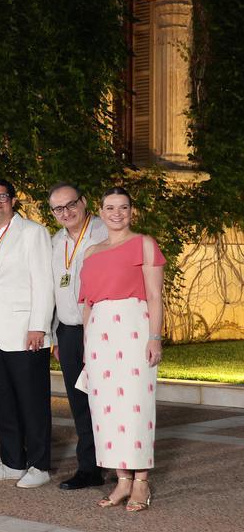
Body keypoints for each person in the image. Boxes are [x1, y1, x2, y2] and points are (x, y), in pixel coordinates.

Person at [78, 186, 165, 512]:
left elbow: (155, 296)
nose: (117, 213)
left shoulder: (144, 244)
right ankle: (122, 479)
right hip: (100, 334)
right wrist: (87, 348)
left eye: (123, 207)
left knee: (135, 405)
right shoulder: (90, 252)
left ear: (132, 211)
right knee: (106, 410)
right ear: (100, 212)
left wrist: (154, 337)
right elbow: (87, 304)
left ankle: (141, 480)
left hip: (133, 329)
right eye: (110, 207)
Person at [0, 178, 55, 488]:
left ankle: (39, 465)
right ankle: (11, 461)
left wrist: (39, 325)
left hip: (25, 331)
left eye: (1, 197)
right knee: (5, 401)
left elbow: (43, 281)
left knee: (32, 401)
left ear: (13, 200)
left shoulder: (32, 232)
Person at [47, 183, 108, 491]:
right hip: (69, 331)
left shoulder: (103, 232)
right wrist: (56, 334)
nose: (66, 212)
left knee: (108, 399)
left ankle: (121, 463)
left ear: (84, 202)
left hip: (103, 327)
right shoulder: (56, 242)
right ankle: (90, 467)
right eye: (58, 208)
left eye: (71, 204)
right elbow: (55, 291)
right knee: (80, 401)